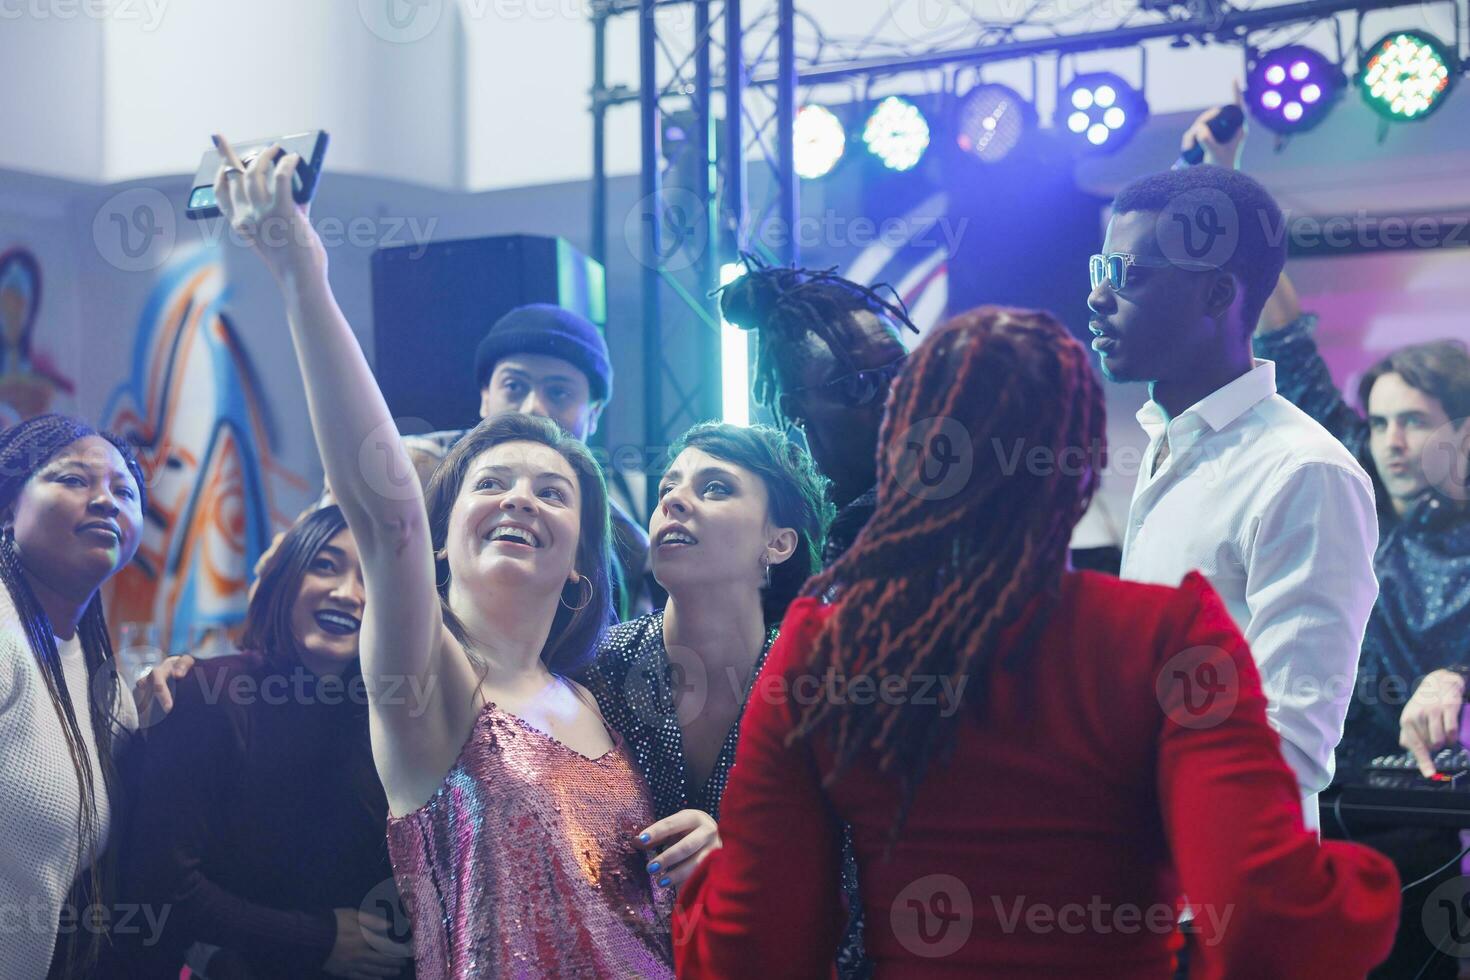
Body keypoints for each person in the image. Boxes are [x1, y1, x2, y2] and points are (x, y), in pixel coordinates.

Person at [674, 306, 1401, 978]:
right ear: (1082, 472)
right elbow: (1264, 920)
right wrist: (1372, 881)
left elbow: (755, 947)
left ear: (899, 455)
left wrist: (700, 889)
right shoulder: (1164, 639)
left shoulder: (823, 648)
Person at [212, 135, 671, 977]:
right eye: (492, 482)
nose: (522, 497)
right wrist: (300, 268)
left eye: (553, 491)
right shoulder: (432, 685)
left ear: (582, 560)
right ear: (442, 531)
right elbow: (382, 514)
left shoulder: (601, 698)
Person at [1088, 163, 1380, 832]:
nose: (1100, 298)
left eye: (1129, 275)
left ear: (1217, 294)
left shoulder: (1302, 471)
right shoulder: (1168, 441)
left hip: (1230, 905)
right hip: (1154, 890)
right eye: (1099, 271)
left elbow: (1289, 745)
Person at [118, 506, 415, 979]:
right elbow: (162, 886)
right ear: (286, 578)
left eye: (370, 576)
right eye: (325, 564)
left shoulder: (395, 721)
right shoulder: (208, 694)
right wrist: (319, 938)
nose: (347, 593)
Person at [579, 421, 831, 889]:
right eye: (667, 488)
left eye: (715, 488)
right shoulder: (597, 670)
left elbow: (855, 881)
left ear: (778, 543)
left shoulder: (821, 684)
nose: (672, 501)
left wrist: (742, 866)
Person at [0, 414, 146, 978]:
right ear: (9, 508)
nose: (106, 501)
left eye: (124, 490)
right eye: (74, 480)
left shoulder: (102, 686)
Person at [395, 303, 651, 618]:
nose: (533, 408)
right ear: (485, 396)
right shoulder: (409, 469)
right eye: (515, 386)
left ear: (593, 414)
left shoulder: (626, 543)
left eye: (558, 393)